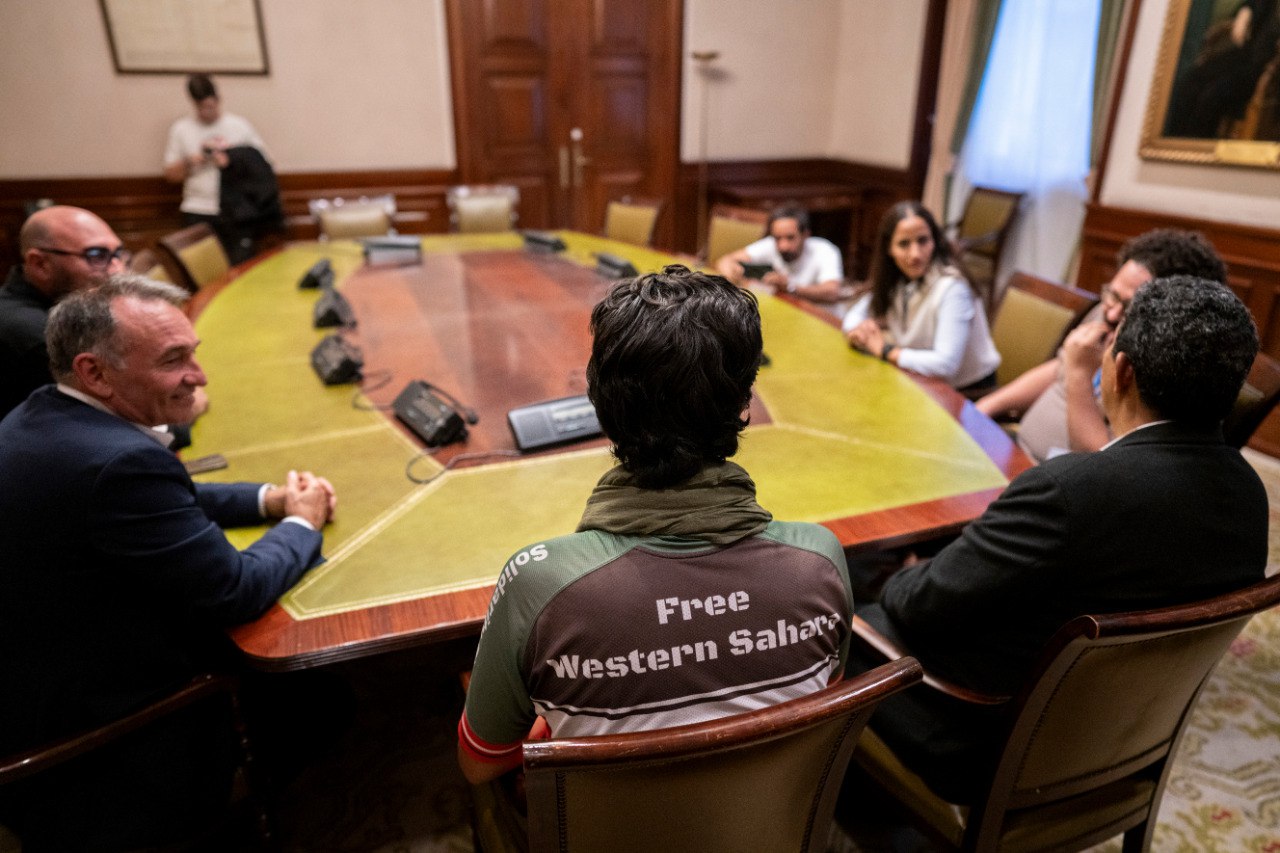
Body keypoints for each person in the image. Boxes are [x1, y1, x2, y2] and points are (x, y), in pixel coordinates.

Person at [849, 275, 1267, 803]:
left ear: (1121, 372)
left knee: (837, 610)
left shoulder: (1071, 489)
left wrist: (902, 572)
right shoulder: (1252, 500)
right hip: (1117, 742)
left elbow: (921, 605)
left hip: (983, 741)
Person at [457, 265, 855, 785]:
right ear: (743, 406)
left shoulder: (538, 586)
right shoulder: (821, 560)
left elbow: (481, 764)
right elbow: (821, 699)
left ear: (599, 407)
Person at [0, 275, 337, 850]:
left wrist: (265, 498)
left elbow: (157, 501)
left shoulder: (47, 415)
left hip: (26, 678)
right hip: (98, 735)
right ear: (95, 372)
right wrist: (301, 522)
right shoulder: (119, 462)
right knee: (320, 688)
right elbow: (237, 588)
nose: (199, 377)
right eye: (173, 360)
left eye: (193, 354)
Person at [976, 228, 1228, 463]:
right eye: (1113, 295)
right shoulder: (1105, 314)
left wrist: (1080, 374)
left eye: (1129, 307)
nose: (1112, 313)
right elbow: (1060, 368)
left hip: (1063, 485)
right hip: (1017, 449)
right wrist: (984, 409)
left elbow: (1107, 464)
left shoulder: (1161, 363)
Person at [842, 200, 1001, 393]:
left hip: (966, 392)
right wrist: (861, 331)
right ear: (889, 249)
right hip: (922, 380)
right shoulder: (896, 278)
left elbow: (946, 364)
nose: (915, 254)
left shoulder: (953, 287)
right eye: (903, 244)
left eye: (923, 240)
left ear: (935, 241)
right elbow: (853, 316)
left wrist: (886, 351)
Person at [0, 205, 129, 420]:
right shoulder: (37, 336)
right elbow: (116, 416)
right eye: (96, 255)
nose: (117, 270)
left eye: (118, 254)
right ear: (40, 264)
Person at [163, 73, 270, 263]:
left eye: (210, 106)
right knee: (203, 270)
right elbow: (170, 175)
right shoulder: (181, 129)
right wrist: (193, 161)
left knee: (241, 266)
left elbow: (263, 166)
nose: (206, 112)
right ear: (193, 104)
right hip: (197, 210)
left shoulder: (239, 126)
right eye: (201, 107)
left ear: (218, 100)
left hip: (236, 211)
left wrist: (231, 159)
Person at [716, 205, 847, 303]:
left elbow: (832, 292)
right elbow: (726, 260)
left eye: (790, 238)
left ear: (805, 235)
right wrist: (733, 276)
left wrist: (790, 287)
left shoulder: (825, 250)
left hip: (824, 320)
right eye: (777, 238)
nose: (782, 245)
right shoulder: (770, 244)